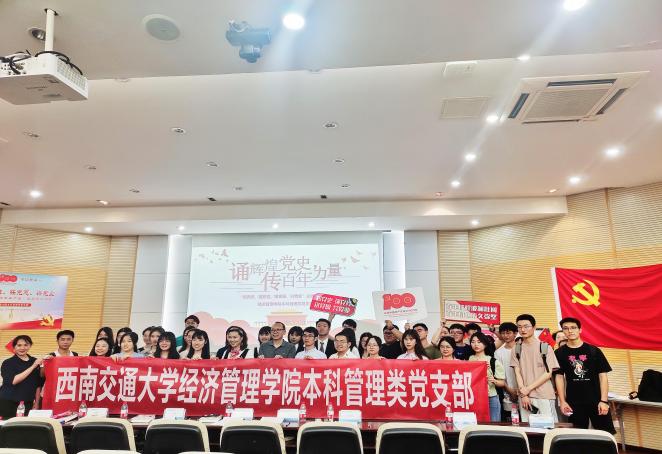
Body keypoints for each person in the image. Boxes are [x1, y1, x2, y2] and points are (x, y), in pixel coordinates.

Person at [554, 317, 616, 434]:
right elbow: (559, 377)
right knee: (577, 435)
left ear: (580, 330)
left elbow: (603, 376)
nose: (570, 331)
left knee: (605, 434)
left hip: (597, 400)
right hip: (574, 402)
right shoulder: (559, 353)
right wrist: (562, 401)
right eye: (566, 328)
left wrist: (604, 401)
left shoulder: (593, 350)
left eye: (573, 327)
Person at [511, 314, 560, 423]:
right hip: (525, 397)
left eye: (526, 326)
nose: (523, 330)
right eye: (519, 327)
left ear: (534, 327)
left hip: (544, 395)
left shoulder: (545, 347)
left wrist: (527, 389)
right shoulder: (516, 349)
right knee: (528, 427)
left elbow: (548, 373)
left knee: (549, 426)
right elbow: (517, 372)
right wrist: (524, 394)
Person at [0, 336, 46, 419]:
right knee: (7, 425)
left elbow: (38, 385)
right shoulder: (8, 363)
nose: (22, 348)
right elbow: (14, 381)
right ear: (14, 347)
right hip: (8, 402)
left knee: (24, 425)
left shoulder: (34, 361)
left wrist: (36, 404)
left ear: (30, 346)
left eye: (25, 345)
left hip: (27, 402)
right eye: (19, 345)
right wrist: (33, 366)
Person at [469, 332, 506, 422]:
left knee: (493, 424)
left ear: (485, 344)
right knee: (476, 423)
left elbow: (502, 383)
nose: (476, 344)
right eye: (473, 342)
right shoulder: (469, 359)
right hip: (474, 397)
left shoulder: (493, 361)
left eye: (479, 342)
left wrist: (493, 380)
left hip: (490, 397)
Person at [494, 322, 519, 420]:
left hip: (524, 390)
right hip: (507, 392)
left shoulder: (522, 349)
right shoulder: (498, 353)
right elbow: (499, 375)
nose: (506, 336)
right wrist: (510, 390)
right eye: (503, 333)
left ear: (515, 333)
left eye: (508, 333)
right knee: (510, 419)